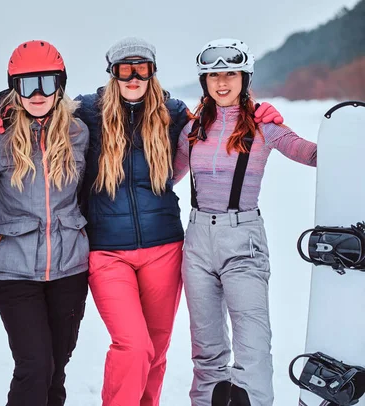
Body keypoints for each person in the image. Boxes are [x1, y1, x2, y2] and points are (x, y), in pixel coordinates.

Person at [0, 37, 283, 406]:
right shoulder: (87, 112)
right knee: (133, 345)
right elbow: (41, 110)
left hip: (164, 246)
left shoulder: (173, 113)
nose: (134, 77)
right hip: (108, 250)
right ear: (113, 73)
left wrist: (259, 111)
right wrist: (3, 111)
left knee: (155, 350)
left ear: (152, 73)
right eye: (125, 69)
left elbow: (218, 118)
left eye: (142, 69)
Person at [172, 38, 317, 406]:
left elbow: (308, 153)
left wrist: (349, 140)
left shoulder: (264, 125)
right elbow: (162, 176)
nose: (222, 82)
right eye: (214, 75)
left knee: (251, 348)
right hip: (198, 242)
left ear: (244, 77)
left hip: (244, 241)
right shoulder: (191, 131)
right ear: (205, 81)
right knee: (206, 353)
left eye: (231, 74)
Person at [0, 40, 90, 406]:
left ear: (60, 84)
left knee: (56, 369)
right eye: (27, 84)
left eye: (47, 81)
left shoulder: (79, 134)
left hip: (70, 268)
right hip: (14, 272)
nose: (38, 93)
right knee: (34, 366)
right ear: (15, 88)